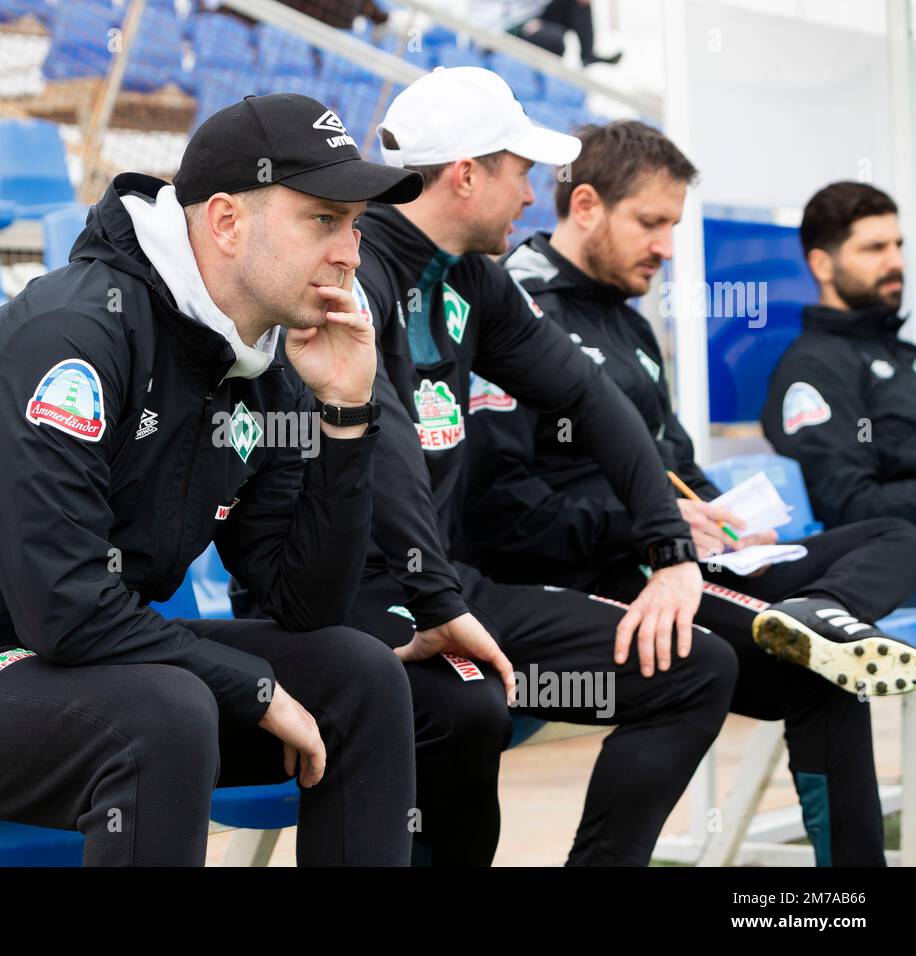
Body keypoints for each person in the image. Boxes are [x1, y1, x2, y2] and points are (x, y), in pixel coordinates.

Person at [0, 93, 423, 867]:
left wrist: (344, 416)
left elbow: (307, 604)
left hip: (76, 671)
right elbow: (64, 606)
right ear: (228, 222)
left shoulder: (264, 368)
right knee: (164, 712)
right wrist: (255, 689)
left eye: (355, 226)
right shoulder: (71, 333)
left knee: (358, 676)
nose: (351, 253)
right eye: (322, 221)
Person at [236, 67, 738, 867]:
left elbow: (590, 394)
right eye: (521, 171)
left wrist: (670, 551)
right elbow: (383, 443)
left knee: (695, 666)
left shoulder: (474, 277)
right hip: (337, 601)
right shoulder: (351, 272)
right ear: (466, 174)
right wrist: (433, 596)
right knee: (469, 711)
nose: (533, 196)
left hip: (449, 587)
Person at [463, 119, 916, 865]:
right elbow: (499, 509)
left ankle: (822, 613)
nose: (668, 247)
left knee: (894, 540)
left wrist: (722, 518)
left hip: (675, 556)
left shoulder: (631, 326)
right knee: (819, 672)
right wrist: (648, 528)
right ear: (584, 207)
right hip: (584, 578)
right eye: (651, 223)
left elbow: (673, 463)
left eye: (673, 224)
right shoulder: (515, 307)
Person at [762, 181, 916, 528]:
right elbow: (851, 506)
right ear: (823, 266)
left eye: (898, 245)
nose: (896, 262)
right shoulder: (812, 368)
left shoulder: (903, 353)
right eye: (875, 248)